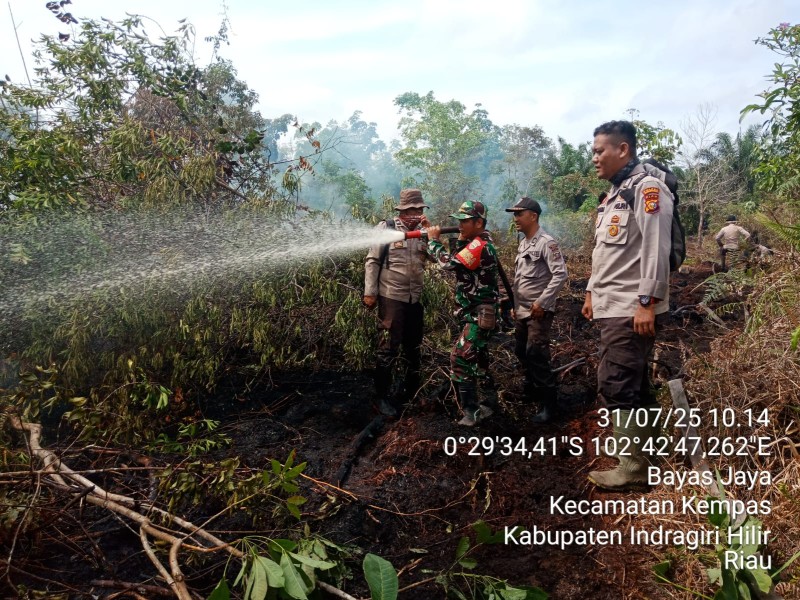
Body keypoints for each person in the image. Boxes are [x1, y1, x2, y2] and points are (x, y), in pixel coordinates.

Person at [582, 120, 673, 491]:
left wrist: (647, 302)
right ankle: (649, 457)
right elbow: (605, 253)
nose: (594, 158)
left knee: (616, 383)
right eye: (593, 152)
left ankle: (633, 468)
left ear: (623, 149)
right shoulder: (614, 194)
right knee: (634, 381)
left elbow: (656, 247)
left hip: (631, 306)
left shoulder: (647, 188)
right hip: (613, 304)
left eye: (599, 151)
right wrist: (591, 292)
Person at [422, 201, 500, 426]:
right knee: (479, 359)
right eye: (458, 221)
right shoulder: (475, 242)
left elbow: (449, 264)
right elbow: (458, 255)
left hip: (479, 314)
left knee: (461, 357)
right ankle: (489, 404)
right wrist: (432, 230)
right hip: (473, 313)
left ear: (479, 223)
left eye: (464, 221)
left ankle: (471, 412)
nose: (459, 225)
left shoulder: (479, 246)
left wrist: (433, 241)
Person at [363, 189, 429, 416]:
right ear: (403, 211)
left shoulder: (424, 232)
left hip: (414, 297)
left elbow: (434, 257)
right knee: (388, 348)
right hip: (391, 296)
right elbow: (372, 260)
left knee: (413, 347)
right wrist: (370, 293)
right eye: (412, 210)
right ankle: (380, 398)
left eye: (419, 209)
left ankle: (412, 391)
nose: (416, 214)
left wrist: (431, 234)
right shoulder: (387, 228)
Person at [506, 197, 568, 424]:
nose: (515, 218)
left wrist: (542, 302)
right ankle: (532, 389)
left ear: (533, 216)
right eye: (514, 214)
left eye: (519, 214)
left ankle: (549, 406)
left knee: (537, 354)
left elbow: (560, 274)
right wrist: (515, 306)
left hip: (538, 312)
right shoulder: (524, 243)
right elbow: (520, 280)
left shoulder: (546, 243)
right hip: (522, 310)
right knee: (521, 351)